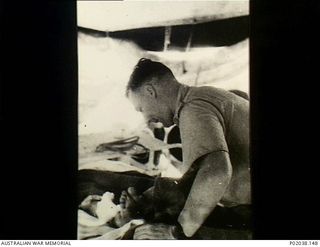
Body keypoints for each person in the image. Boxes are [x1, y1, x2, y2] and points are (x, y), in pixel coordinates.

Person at [125, 58, 250, 239]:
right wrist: (152, 195)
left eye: (141, 109)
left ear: (150, 91)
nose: (146, 119)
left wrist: (177, 232)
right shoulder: (204, 96)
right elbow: (201, 172)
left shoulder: (192, 109)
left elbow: (216, 172)